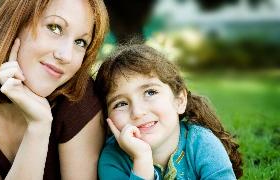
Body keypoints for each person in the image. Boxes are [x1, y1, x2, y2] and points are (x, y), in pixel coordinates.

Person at [0, 0, 108, 179]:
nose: (66, 56)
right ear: (14, 22)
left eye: (80, 42)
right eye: (55, 28)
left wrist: (39, 123)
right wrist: (39, 128)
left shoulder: (79, 99)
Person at [95, 44, 243, 179]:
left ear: (179, 101)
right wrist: (142, 159)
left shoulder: (202, 143)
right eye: (121, 103)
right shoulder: (112, 160)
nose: (138, 112)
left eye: (150, 92)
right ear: (107, 117)